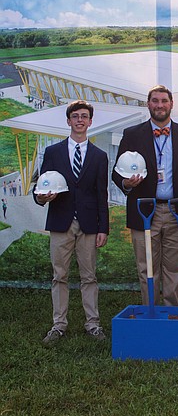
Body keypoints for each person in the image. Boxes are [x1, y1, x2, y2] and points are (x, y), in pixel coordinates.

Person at [112, 85, 178, 307]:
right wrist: (126, 183)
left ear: (171, 104)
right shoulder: (132, 135)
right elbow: (116, 173)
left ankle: (172, 316)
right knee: (147, 269)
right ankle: (151, 314)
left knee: (175, 269)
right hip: (144, 210)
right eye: (155, 101)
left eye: (164, 101)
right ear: (148, 104)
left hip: (176, 211)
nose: (159, 105)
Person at [34, 100, 109, 346]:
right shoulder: (53, 152)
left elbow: (102, 194)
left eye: (84, 116)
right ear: (68, 121)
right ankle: (59, 325)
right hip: (60, 221)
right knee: (60, 275)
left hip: (88, 224)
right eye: (75, 116)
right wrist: (41, 198)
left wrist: (103, 228)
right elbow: (42, 186)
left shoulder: (99, 156)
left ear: (90, 121)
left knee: (89, 276)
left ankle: (93, 324)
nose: (79, 120)